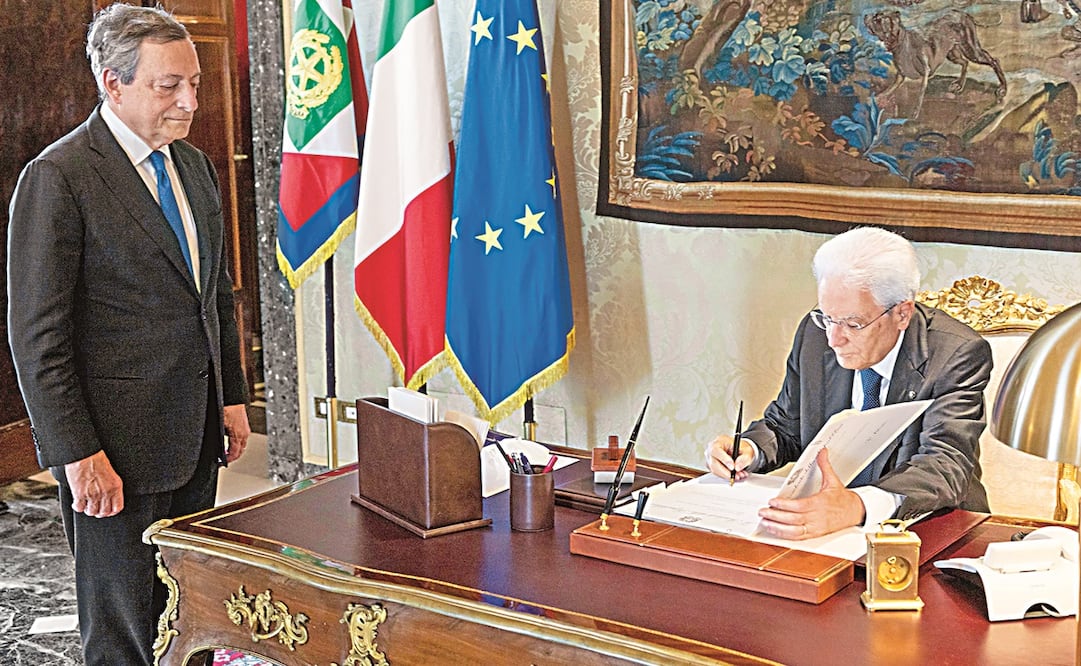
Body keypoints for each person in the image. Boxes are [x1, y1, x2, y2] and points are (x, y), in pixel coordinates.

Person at [6, 5, 250, 664]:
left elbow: (213, 297)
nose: (190, 100)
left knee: (186, 611)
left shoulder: (194, 167)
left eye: (193, 82)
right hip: (113, 450)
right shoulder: (60, 178)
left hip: (196, 435)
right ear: (113, 84)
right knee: (122, 629)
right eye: (168, 85)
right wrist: (75, 452)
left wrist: (231, 396)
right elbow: (37, 335)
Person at [706, 226, 991, 540]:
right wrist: (750, 448)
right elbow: (787, 424)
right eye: (828, 317)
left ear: (902, 314)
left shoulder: (956, 354)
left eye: (853, 324)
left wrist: (855, 506)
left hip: (930, 529)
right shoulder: (814, 335)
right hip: (832, 533)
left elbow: (945, 465)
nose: (834, 338)